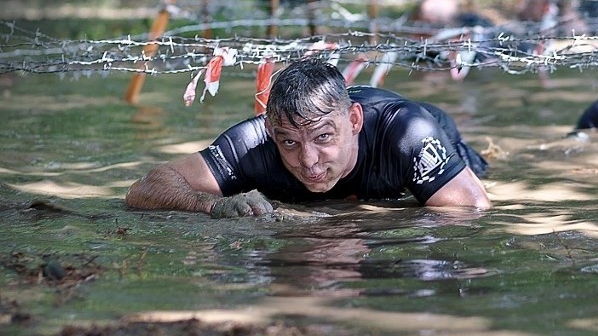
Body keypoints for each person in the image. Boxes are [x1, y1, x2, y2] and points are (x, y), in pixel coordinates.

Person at [125, 59, 492, 217]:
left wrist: (354, 226)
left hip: (436, 129)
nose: (309, 160)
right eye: (289, 143)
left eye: (323, 137)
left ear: (353, 120)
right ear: (271, 131)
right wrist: (212, 206)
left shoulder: (407, 134)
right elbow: (143, 189)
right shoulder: (255, 142)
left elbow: (472, 209)